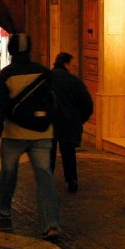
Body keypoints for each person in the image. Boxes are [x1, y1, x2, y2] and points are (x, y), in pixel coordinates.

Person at [0, 33, 61, 242]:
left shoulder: (7, 75)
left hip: (14, 134)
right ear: (30, 50)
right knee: (45, 177)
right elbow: (54, 102)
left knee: (9, 172)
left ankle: (1, 203)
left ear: (10, 50)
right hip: (42, 133)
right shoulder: (44, 73)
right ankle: (51, 224)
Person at [50, 52, 94, 193]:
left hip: (48, 122)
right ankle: (72, 179)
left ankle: (46, 179)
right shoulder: (74, 81)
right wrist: (81, 119)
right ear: (66, 64)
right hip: (68, 121)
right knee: (68, 152)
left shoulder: (46, 78)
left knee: (48, 151)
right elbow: (87, 103)